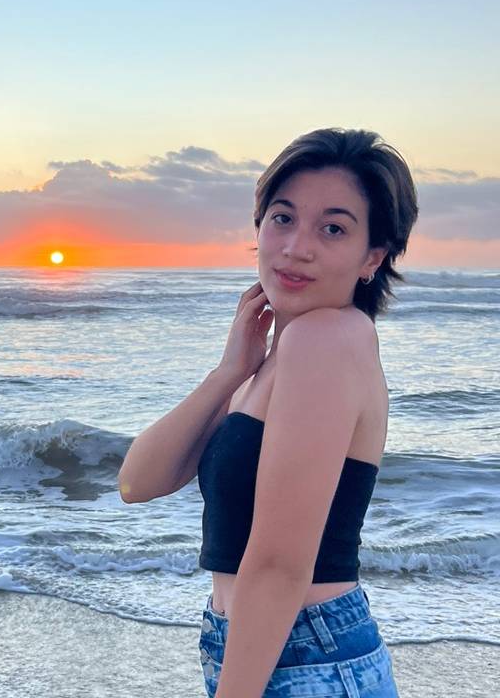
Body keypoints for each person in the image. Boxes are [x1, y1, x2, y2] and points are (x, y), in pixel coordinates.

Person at [118, 127, 418, 697]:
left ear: (372, 257)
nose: (297, 246)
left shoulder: (325, 340)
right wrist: (230, 371)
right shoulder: (275, 361)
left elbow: (281, 563)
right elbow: (138, 482)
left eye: (333, 228)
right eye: (283, 218)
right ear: (258, 228)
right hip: (273, 652)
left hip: (304, 657)